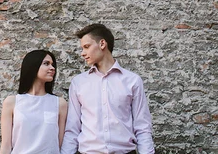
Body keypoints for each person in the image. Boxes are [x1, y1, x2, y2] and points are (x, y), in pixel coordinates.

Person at [61, 24, 154, 154]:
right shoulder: (78, 83)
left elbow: (142, 127)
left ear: (102, 44)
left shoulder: (132, 81)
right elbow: (72, 129)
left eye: (86, 47)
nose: (82, 53)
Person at [0, 49, 68, 154]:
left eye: (53, 65)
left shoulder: (60, 103)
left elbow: (59, 144)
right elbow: (6, 146)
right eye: (46, 63)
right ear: (33, 66)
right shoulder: (12, 102)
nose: (52, 68)